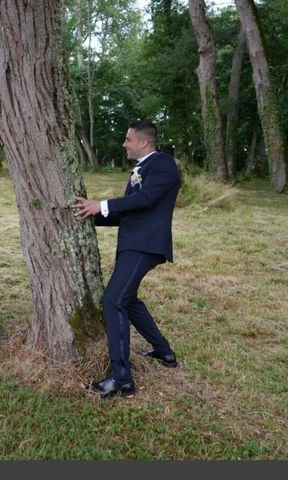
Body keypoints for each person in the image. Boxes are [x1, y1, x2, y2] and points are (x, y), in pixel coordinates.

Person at [72, 120, 180, 398]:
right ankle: (164, 352)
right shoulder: (142, 168)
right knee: (128, 299)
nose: (124, 144)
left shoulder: (163, 164)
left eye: (128, 139)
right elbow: (130, 211)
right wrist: (91, 216)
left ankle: (122, 379)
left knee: (113, 299)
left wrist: (102, 204)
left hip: (146, 245)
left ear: (144, 142)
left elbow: (145, 200)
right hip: (133, 244)